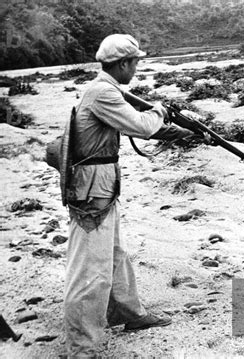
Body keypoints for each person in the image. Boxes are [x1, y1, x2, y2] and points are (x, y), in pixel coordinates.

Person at [64, 34, 197, 358]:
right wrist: (161, 112)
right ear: (123, 63)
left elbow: (135, 124)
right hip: (92, 189)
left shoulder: (105, 90)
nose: (136, 68)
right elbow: (139, 125)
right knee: (90, 270)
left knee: (115, 255)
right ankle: (83, 346)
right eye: (135, 62)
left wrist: (185, 132)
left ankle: (128, 312)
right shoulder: (104, 93)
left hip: (101, 186)